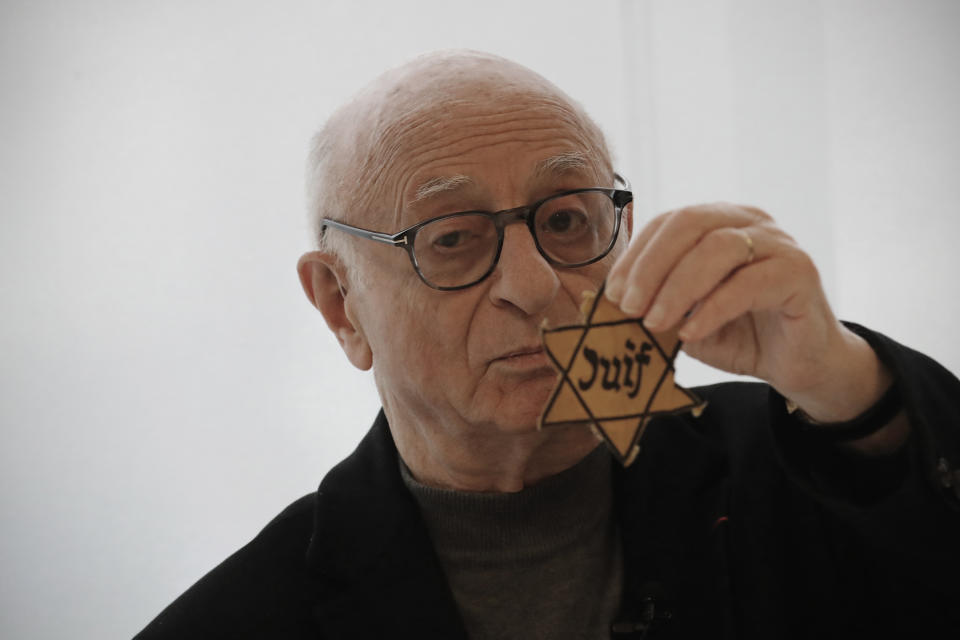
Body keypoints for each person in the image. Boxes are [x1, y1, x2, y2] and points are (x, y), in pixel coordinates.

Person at [134, 50, 960, 639]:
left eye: (567, 221)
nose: (532, 286)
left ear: (622, 234)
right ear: (340, 305)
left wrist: (850, 388)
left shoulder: (803, 453)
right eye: (452, 238)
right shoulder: (246, 615)